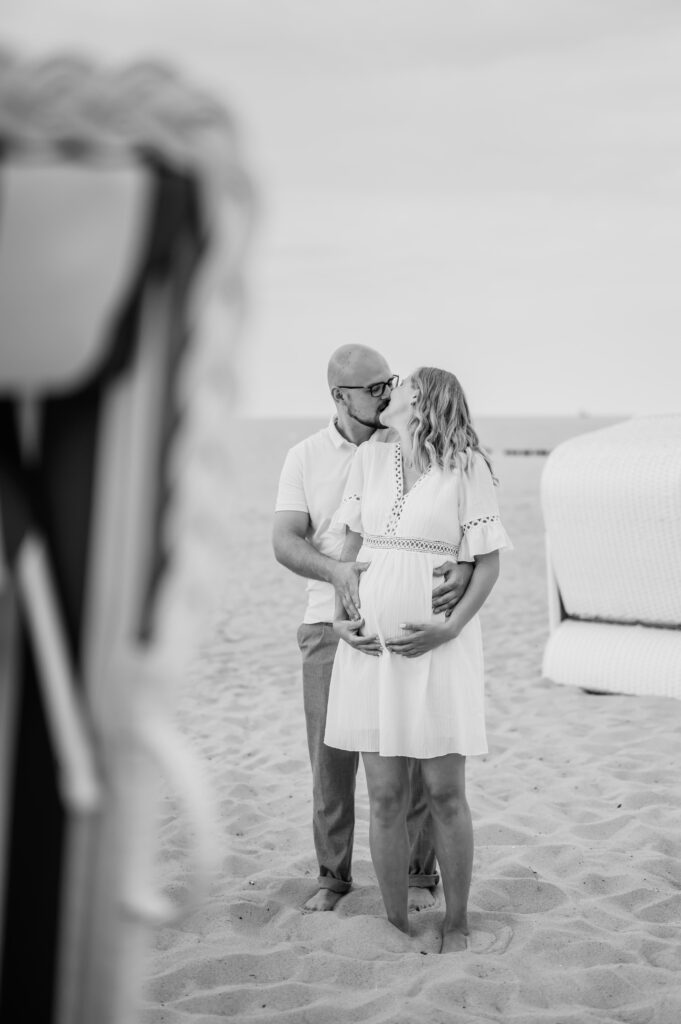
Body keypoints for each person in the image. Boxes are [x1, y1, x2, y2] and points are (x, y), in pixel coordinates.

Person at [273, 346, 474, 913]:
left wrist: (460, 561)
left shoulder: (407, 444)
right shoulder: (306, 456)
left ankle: (418, 872)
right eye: (373, 387)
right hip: (327, 622)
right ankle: (333, 877)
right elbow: (285, 540)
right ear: (340, 396)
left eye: (391, 383)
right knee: (331, 761)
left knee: (412, 755)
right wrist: (337, 574)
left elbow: (453, 520)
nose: (387, 393)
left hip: (402, 621)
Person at [324, 366, 512, 952]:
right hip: (371, 653)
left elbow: (487, 564)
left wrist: (448, 628)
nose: (389, 390)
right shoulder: (370, 461)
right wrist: (339, 617)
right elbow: (350, 549)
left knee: (444, 793)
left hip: (440, 651)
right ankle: (396, 924)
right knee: (383, 796)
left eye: (399, 383)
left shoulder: (466, 467)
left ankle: (456, 925)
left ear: (424, 399)